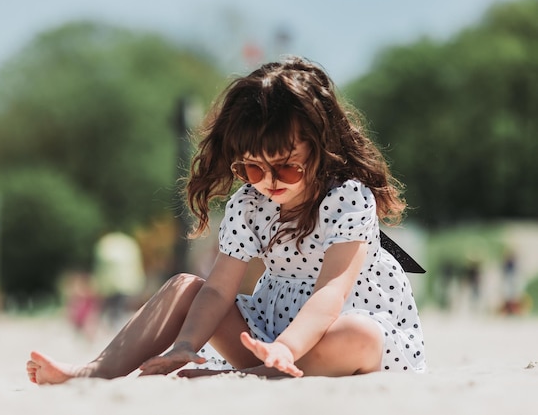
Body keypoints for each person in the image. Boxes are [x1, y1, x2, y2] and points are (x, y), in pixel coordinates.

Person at [26, 56, 427, 384]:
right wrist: (186, 343)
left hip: (342, 331)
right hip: (267, 335)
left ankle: (252, 375)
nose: (268, 183)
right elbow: (218, 292)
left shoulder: (347, 197)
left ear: (322, 149)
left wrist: (286, 349)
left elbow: (331, 296)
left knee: (356, 335)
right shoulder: (249, 205)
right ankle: (97, 370)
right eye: (252, 169)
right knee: (186, 286)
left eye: (286, 168)